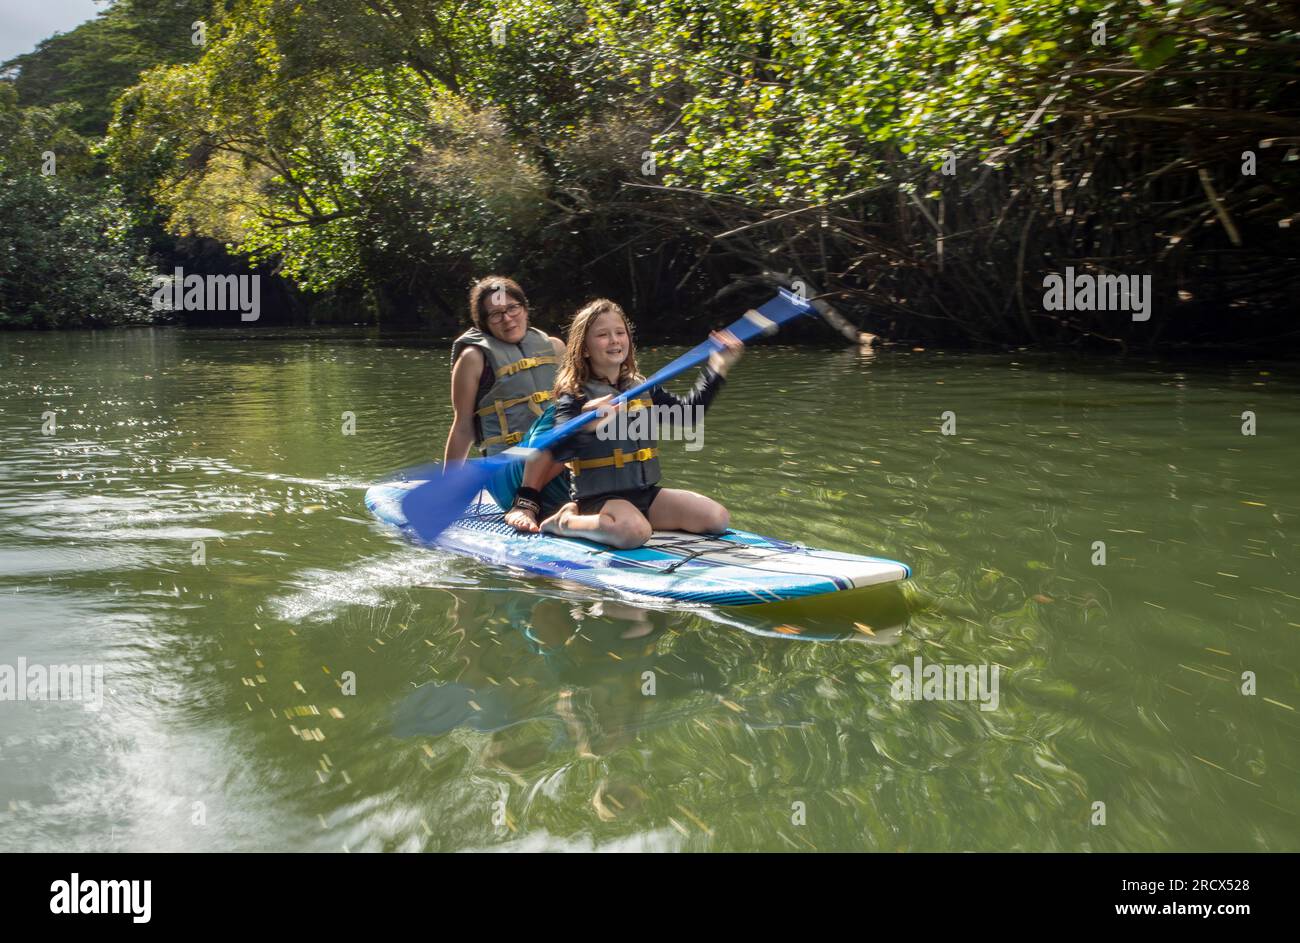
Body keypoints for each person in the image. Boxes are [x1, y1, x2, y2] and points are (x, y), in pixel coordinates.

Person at [534, 298, 743, 549]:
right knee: (633, 532)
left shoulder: (642, 387)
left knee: (717, 519)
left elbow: (688, 416)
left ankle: (630, 519)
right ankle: (565, 521)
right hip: (599, 500)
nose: (614, 340)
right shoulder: (574, 395)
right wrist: (587, 424)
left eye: (620, 333)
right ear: (585, 349)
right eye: (603, 335)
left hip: (645, 496)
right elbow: (558, 450)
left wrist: (717, 368)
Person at [444, 276, 569, 530]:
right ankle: (526, 503)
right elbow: (463, 427)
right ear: (485, 323)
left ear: (525, 308)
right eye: (496, 314)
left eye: (513, 308)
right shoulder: (473, 358)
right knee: (565, 411)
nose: (508, 318)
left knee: (594, 412)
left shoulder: (555, 347)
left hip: (555, 462)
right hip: (508, 471)